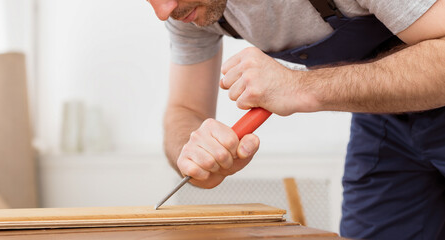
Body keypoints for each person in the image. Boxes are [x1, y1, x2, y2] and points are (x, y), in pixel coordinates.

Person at [147, 0, 445, 239]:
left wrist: (302, 88)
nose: (163, 12)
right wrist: (193, 153)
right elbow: (185, 109)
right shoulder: (188, 10)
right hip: (385, 121)